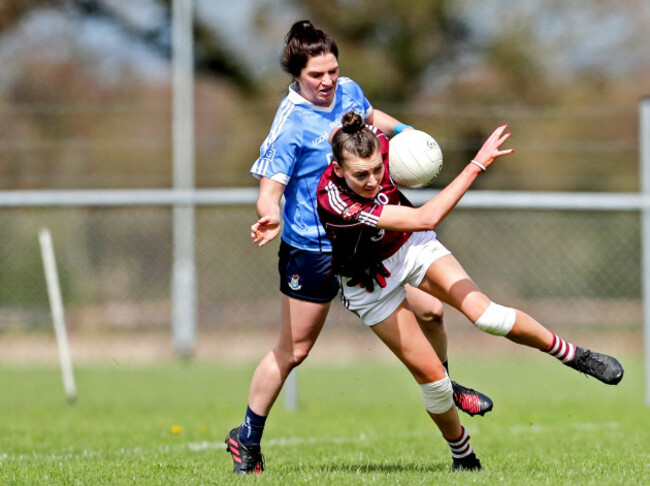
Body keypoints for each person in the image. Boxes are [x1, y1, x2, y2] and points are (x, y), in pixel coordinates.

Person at [224, 20, 492, 475]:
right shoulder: (290, 125)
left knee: (432, 311)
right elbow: (270, 187)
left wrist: (409, 135)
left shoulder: (347, 91)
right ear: (295, 75)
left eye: (332, 70)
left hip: (366, 234)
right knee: (295, 351)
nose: (327, 81)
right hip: (315, 250)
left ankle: (446, 384)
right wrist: (268, 212)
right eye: (316, 75)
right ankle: (246, 437)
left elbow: (371, 117)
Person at [312, 111, 624, 470]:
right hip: (369, 282)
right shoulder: (333, 200)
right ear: (337, 169)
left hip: (409, 247)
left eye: (377, 170)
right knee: (434, 384)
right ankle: (463, 454)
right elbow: (424, 218)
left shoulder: (375, 146)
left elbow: (371, 118)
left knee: (486, 315)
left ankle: (575, 356)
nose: (372, 181)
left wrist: (408, 134)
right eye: (360, 175)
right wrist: (476, 164)